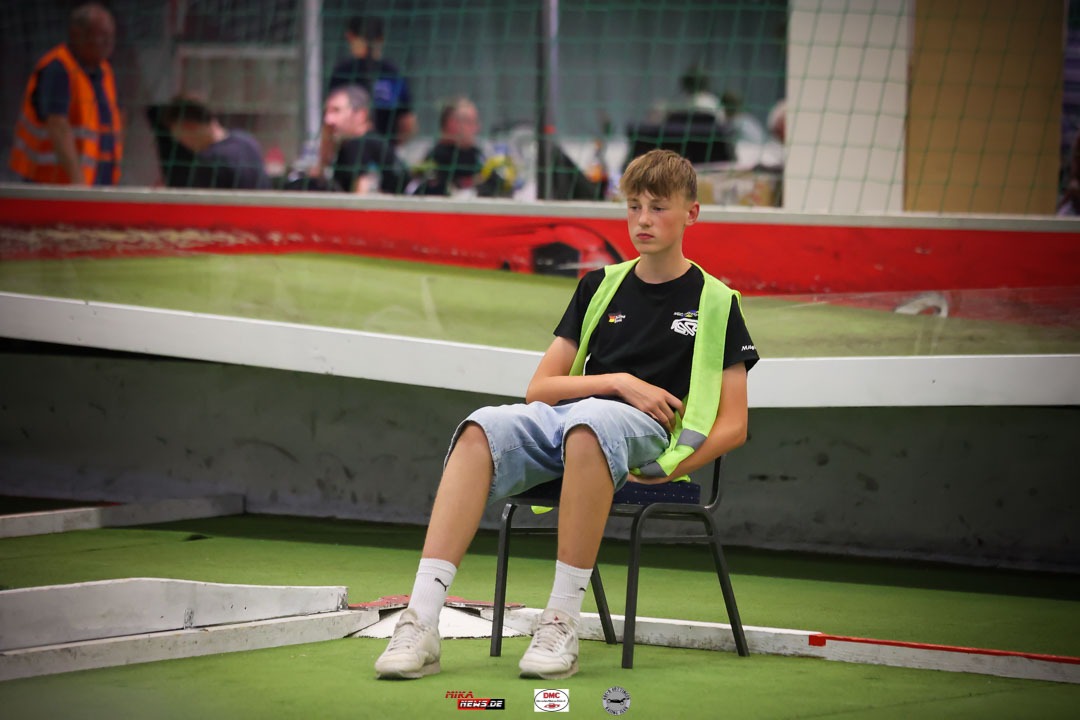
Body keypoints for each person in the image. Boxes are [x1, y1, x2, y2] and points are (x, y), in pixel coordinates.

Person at [374, 149, 759, 681]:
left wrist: (671, 469)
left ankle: (560, 624)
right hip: (575, 418)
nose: (643, 220)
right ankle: (420, 623)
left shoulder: (718, 302)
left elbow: (734, 424)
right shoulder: (598, 286)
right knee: (480, 427)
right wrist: (618, 381)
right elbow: (541, 389)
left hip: (646, 436)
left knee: (589, 427)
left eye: (658, 207)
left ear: (691, 213)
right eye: (634, 207)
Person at [9, 2, 122, 185]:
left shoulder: (104, 71)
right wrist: (78, 183)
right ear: (77, 34)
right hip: (53, 185)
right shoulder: (58, 68)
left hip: (96, 183)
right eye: (101, 35)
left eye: (111, 35)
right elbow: (57, 125)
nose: (108, 42)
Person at [327, 15, 417, 146]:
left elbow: (329, 122)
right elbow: (407, 122)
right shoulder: (393, 72)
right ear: (381, 39)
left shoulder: (343, 72)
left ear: (350, 37)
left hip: (350, 150)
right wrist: (392, 150)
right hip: (384, 149)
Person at [159, 96, 270, 190]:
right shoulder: (246, 140)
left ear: (189, 126)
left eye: (179, 136)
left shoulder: (209, 161)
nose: (182, 143)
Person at [313, 84, 408, 194]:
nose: (328, 120)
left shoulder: (358, 145)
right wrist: (327, 142)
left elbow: (362, 198)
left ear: (361, 114)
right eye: (326, 112)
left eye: (336, 111)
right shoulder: (372, 142)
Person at [414, 96, 485, 196]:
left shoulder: (477, 155)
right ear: (452, 124)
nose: (477, 128)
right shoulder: (436, 161)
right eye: (470, 122)